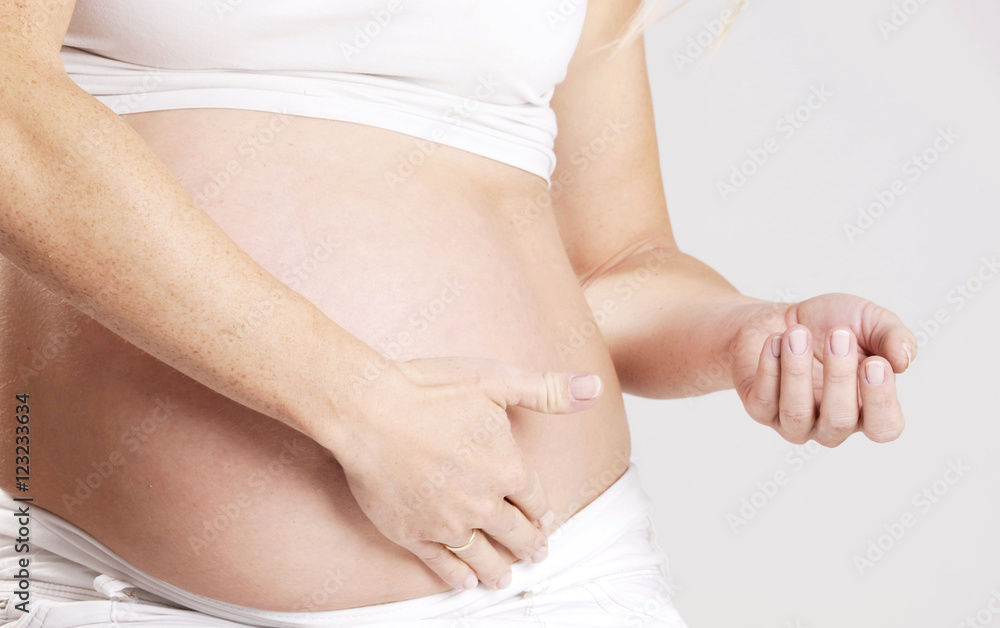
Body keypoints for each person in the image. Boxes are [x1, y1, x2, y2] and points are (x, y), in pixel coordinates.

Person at [0, 0, 915, 626]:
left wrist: (749, 333)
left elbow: (619, 264)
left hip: (547, 583)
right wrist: (361, 408)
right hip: (101, 581)